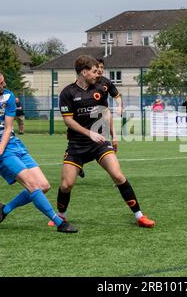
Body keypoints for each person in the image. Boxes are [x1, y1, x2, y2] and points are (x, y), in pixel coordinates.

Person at [0, 69, 77, 233]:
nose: (5, 85)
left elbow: (9, 127)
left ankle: (5, 210)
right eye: (1, 83)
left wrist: (1, 148)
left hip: (13, 145)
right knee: (32, 185)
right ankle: (60, 223)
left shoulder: (8, 97)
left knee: (43, 186)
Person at [48, 55, 155, 228]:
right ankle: (61, 215)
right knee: (66, 184)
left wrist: (113, 135)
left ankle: (139, 216)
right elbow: (68, 121)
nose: (97, 74)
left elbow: (106, 113)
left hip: (100, 141)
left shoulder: (100, 88)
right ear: (84, 72)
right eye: (93, 71)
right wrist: (89, 133)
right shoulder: (67, 93)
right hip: (77, 144)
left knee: (118, 176)